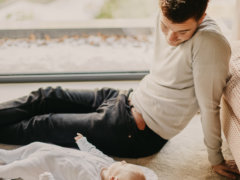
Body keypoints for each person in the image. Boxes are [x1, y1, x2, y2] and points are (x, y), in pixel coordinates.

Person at [0, 0, 239, 179]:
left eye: (182, 32)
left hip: (134, 131)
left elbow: (210, 106)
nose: (170, 37)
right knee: (47, 95)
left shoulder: (210, 44)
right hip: (123, 98)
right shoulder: (166, 13)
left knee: (43, 124)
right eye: (166, 26)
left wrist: (215, 157)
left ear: (202, 16)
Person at [0, 133, 156, 180]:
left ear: (113, 179)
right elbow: (94, 153)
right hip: (50, 151)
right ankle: (6, 155)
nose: (122, 161)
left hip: (44, 166)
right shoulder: (108, 163)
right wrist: (84, 143)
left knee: (18, 168)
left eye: (123, 165)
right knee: (31, 146)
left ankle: (4, 171)